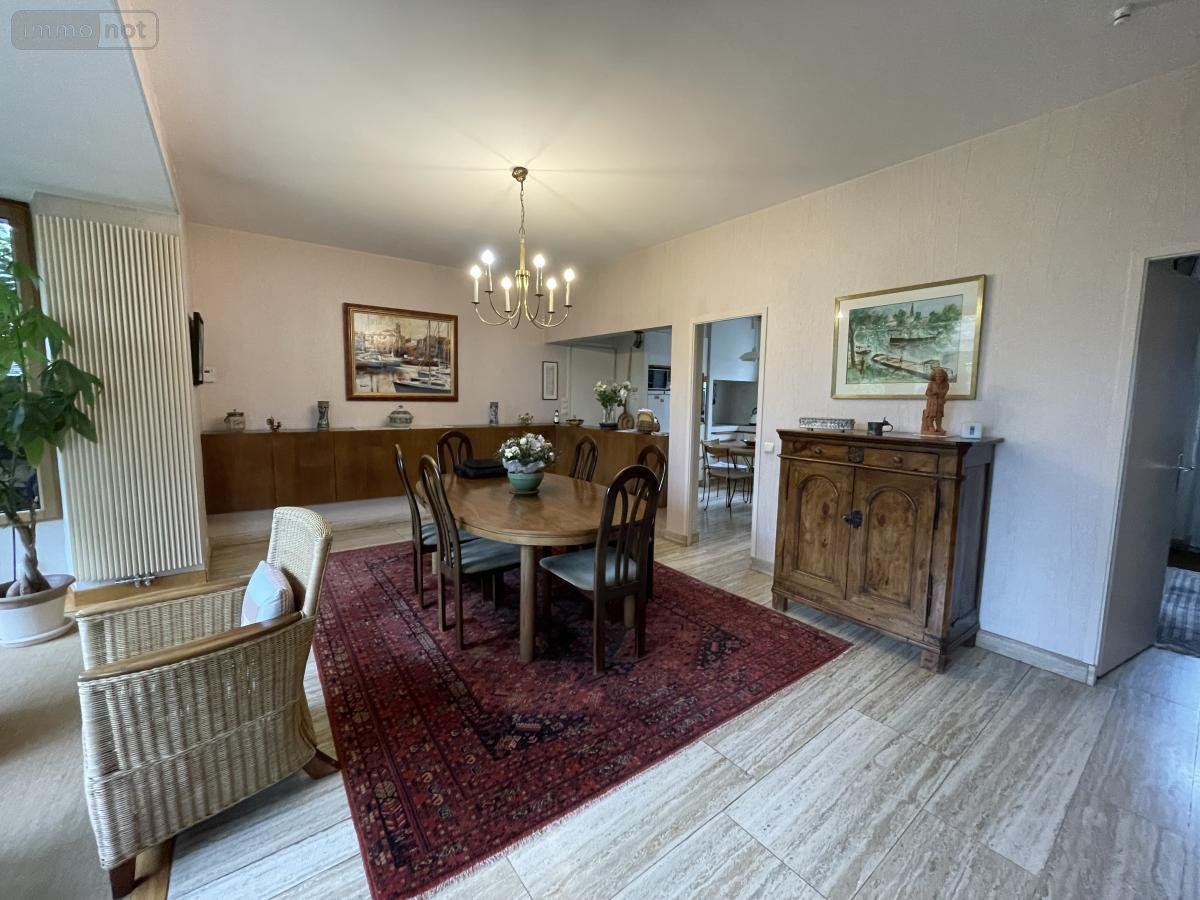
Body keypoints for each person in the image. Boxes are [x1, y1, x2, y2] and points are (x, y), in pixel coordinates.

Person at [921, 367, 950, 434]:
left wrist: (938, 393)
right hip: (932, 402)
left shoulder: (946, 384)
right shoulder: (931, 383)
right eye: (937, 376)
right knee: (930, 415)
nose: (939, 378)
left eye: (940, 376)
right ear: (934, 376)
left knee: (939, 415)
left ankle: (939, 427)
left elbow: (944, 393)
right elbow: (927, 393)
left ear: (944, 377)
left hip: (940, 402)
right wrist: (933, 393)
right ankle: (931, 426)